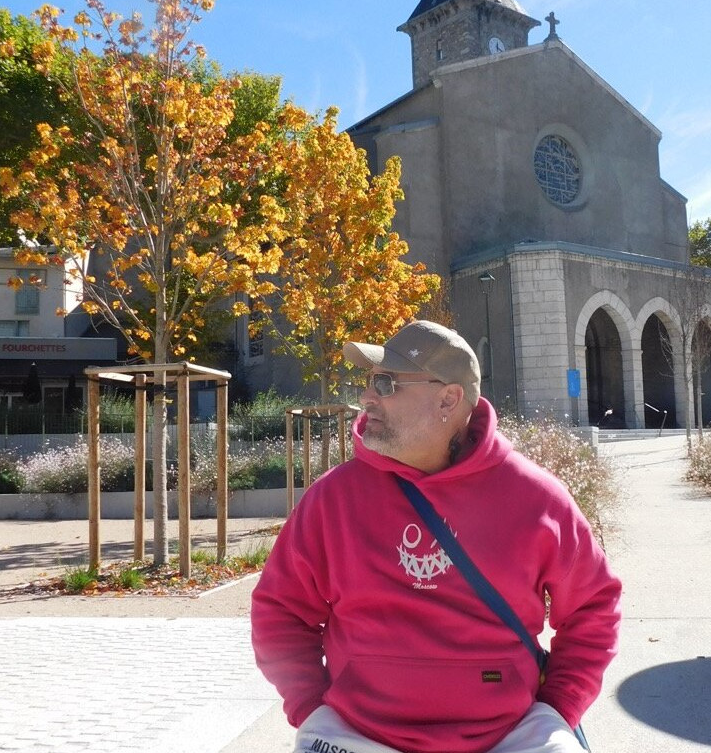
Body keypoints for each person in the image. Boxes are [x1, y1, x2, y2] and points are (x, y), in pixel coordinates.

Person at [251, 320, 621, 753]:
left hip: (509, 735)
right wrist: (309, 706)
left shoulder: (535, 497)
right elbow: (280, 610)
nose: (366, 398)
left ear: (449, 399)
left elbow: (593, 608)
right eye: (369, 382)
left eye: (386, 384)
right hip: (355, 734)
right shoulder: (332, 499)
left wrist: (560, 707)